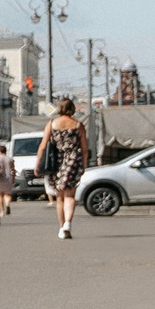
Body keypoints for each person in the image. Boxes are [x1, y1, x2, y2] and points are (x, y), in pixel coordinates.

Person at [41, 98, 88, 240]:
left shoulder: (51, 124)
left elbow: (43, 146)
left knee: (59, 197)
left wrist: (38, 165)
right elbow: (84, 149)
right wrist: (83, 165)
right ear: (72, 108)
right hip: (73, 161)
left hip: (56, 162)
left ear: (59, 108)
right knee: (70, 195)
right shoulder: (78, 125)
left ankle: (62, 227)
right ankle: (68, 223)